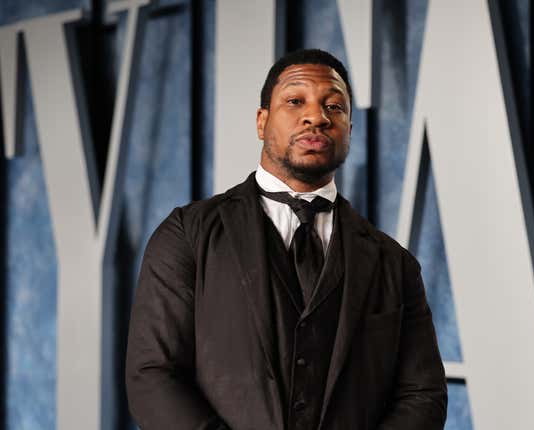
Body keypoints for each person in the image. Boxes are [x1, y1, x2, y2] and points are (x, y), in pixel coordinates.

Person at [126, 48, 447, 430]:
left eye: (335, 107)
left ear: (349, 131)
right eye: (296, 101)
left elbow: (422, 394)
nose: (317, 117)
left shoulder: (394, 263)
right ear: (262, 122)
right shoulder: (187, 235)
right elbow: (152, 375)